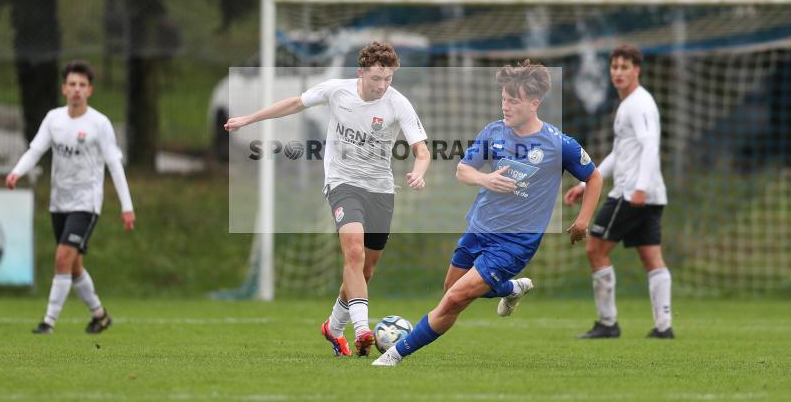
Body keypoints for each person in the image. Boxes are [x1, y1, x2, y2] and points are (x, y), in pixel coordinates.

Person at [373, 60, 602, 367]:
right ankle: (512, 288)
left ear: (535, 104)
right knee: (450, 291)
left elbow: (594, 177)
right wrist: (486, 179)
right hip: (479, 229)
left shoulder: (558, 144)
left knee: (454, 299)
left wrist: (583, 219)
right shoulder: (493, 132)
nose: (506, 106)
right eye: (504, 99)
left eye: (514, 101)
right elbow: (463, 170)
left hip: (515, 243)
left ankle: (394, 355)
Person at [225, 42, 430, 357]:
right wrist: (248, 120)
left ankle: (333, 328)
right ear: (361, 72)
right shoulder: (337, 90)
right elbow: (295, 103)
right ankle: (362, 331)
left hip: (380, 190)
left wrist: (419, 171)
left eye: (388, 79)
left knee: (365, 271)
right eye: (377, 78)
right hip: (342, 183)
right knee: (353, 252)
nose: (382, 85)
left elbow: (422, 149)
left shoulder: (397, 103)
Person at [6, 60, 135, 334]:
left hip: (86, 203)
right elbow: (35, 150)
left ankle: (48, 322)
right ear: (64, 88)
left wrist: (127, 206)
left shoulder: (99, 124)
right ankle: (100, 315)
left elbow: (114, 165)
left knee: (62, 257)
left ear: (90, 90)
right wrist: (17, 172)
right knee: (74, 267)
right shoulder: (54, 118)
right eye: (72, 84)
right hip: (59, 202)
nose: (77, 90)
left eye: (82, 85)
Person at [564, 44, 673, 339]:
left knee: (595, 248)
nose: (618, 73)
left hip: (631, 193)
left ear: (637, 70)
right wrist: (586, 183)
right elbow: (620, 153)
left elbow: (650, 144)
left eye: (625, 67)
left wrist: (639, 188)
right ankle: (664, 327)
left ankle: (608, 323)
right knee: (651, 256)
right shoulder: (628, 104)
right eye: (614, 67)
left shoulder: (639, 103)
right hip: (651, 194)